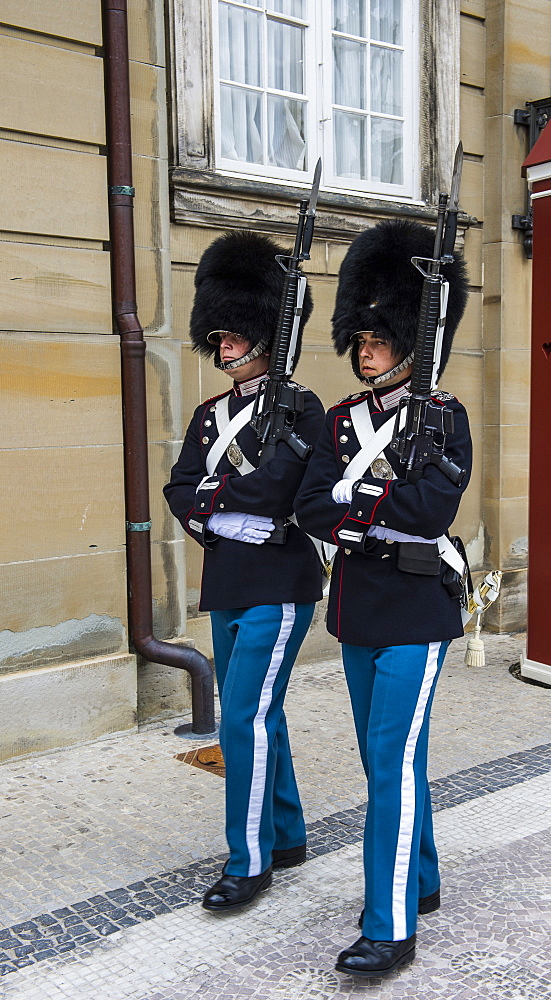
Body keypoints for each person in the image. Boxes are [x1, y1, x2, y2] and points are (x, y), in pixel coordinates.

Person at [294, 219, 471, 977]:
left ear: (409, 339)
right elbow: (308, 507)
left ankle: (389, 924)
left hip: (415, 614)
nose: (363, 349)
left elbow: (431, 511)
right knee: (384, 761)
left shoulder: (443, 417)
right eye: (358, 338)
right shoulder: (338, 422)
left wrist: (353, 506)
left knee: (392, 764)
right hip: (358, 611)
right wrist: (373, 506)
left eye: (377, 337)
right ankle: (421, 878)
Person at [164, 231, 325, 913]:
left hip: (279, 582)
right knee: (261, 713)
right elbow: (179, 488)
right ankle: (285, 835)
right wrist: (220, 517)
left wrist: (217, 502)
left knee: (240, 723)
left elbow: (283, 488)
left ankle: (249, 860)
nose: (223, 344)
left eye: (234, 334)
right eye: (219, 335)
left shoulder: (303, 407)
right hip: (227, 580)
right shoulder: (209, 416)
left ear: (265, 333)